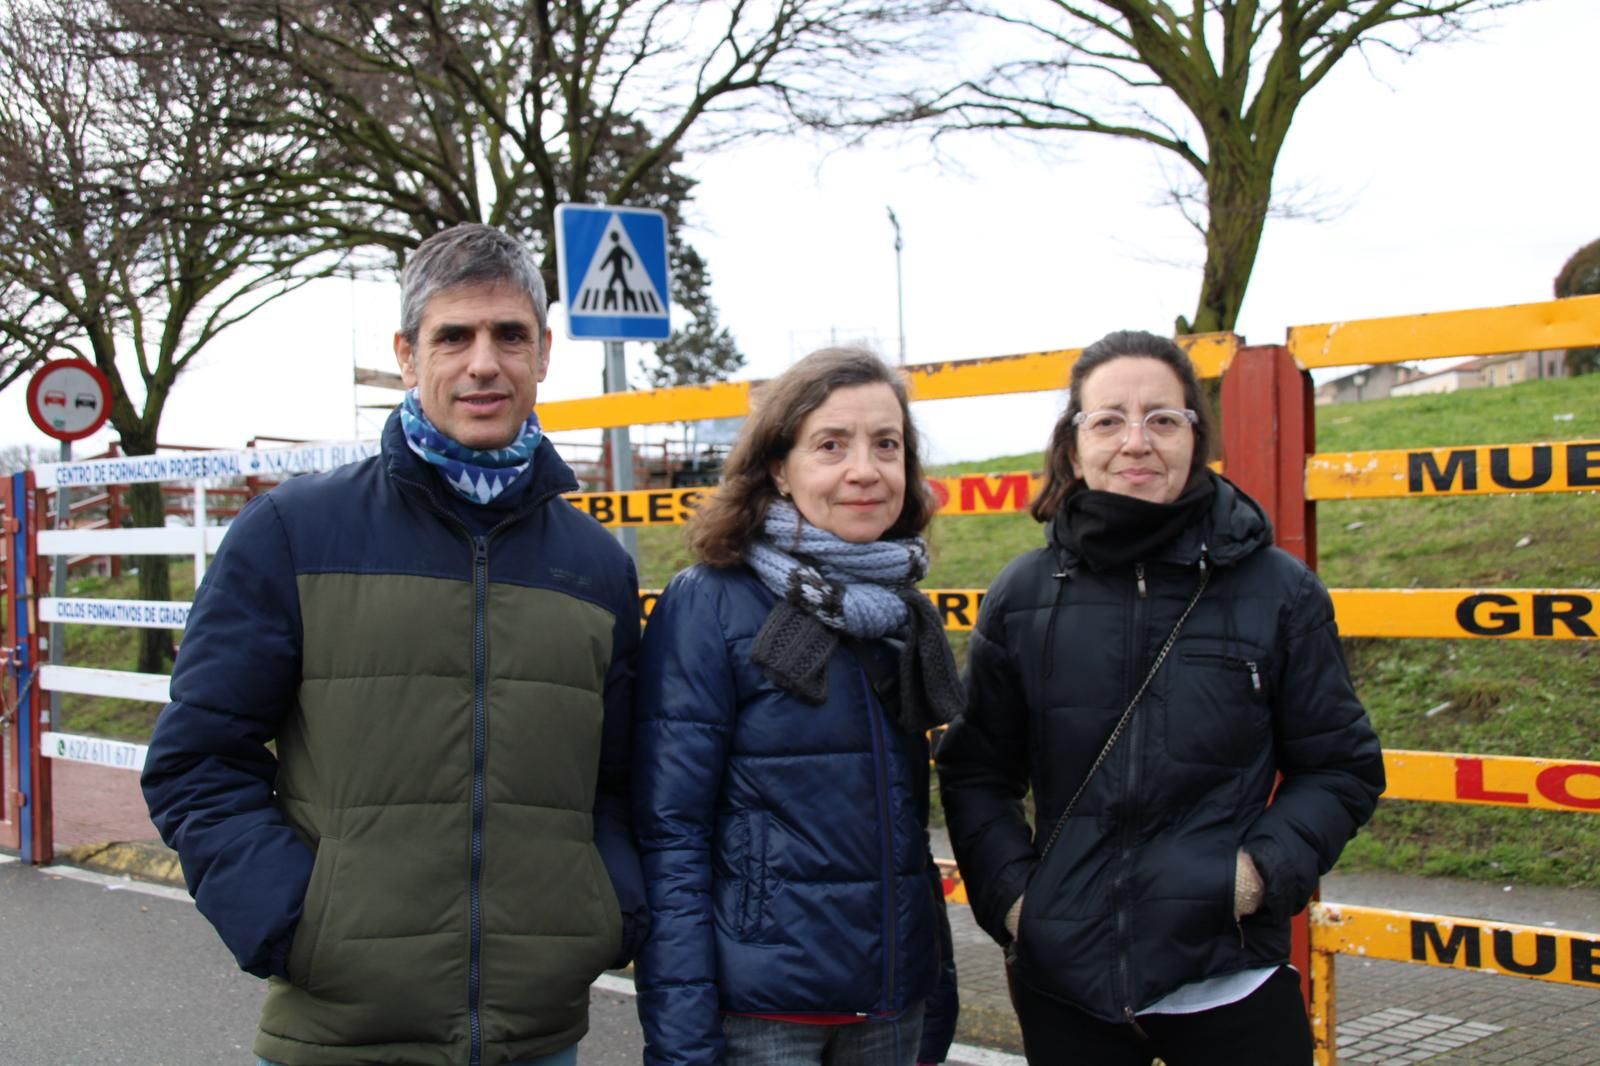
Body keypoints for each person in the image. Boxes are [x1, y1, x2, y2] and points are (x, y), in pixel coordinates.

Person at [141, 223, 646, 1066]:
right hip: (337, 1034)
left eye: (508, 335)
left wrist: (607, 909)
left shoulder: (594, 566)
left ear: (544, 353)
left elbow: (623, 781)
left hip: (540, 1036)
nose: (483, 362)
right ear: (410, 356)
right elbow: (198, 760)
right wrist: (296, 922)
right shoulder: (293, 533)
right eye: (454, 336)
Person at [937, 330, 1385, 1066]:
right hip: (1067, 988)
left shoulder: (1279, 590)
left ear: (1194, 438)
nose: (1135, 441)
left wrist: (1254, 877)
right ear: (1074, 447)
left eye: (1162, 419)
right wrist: (1018, 907)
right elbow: (976, 774)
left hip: (1231, 979)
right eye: (1108, 419)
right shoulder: (1020, 597)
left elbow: (1341, 768)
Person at [633, 347, 960, 1066]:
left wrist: (932, 987)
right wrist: (683, 1038)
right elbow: (671, 835)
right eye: (831, 445)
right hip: (762, 1017)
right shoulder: (712, 603)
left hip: (891, 1004)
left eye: (887, 444)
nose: (865, 470)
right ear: (779, 467)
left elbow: (905, 826)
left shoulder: (903, 614)